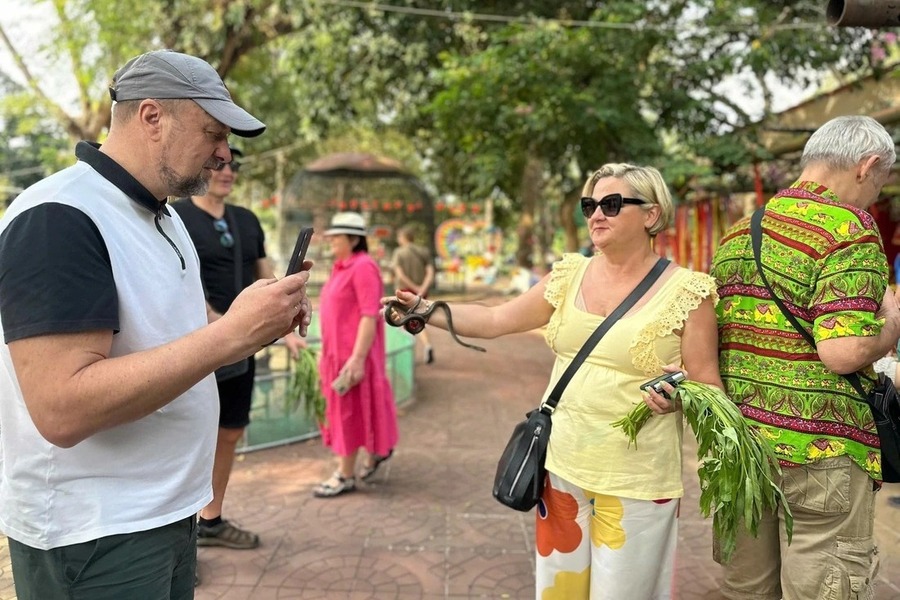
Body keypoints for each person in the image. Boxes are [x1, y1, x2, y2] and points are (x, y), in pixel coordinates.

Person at [0, 49, 311, 600]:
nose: (223, 154)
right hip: (94, 532)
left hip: (164, 511)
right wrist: (230, 334)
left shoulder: (162, 216)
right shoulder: (60, 216)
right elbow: (62, 407)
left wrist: (254, 320)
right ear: (151, 117)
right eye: (212, 132)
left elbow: (182, 334)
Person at [383, 163, 723, 599]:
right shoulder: (569, 275)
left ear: (652, 215)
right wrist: (427, 310)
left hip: (637, 480)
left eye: (612, 204)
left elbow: (708, 385)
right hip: (561, 468)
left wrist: (680, 397)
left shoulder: (688, 292)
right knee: (559, 592)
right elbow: (495, 318)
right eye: (589, 205)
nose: (596, 214)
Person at [709, 115, 900, 600]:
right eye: (881, 181)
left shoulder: (737, 233)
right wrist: (893, 321)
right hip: (823, 454)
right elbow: (843, 351)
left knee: (747, 589)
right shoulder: (849, 228)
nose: (876, 195)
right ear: (867, 165)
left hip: (743, 449)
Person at [171, 147, 305, 550]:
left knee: (229, 431)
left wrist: (289, 322)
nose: (228, 171)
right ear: (204, 165)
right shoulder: (176, 216)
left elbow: (266, 279)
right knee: (186, 437)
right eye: (221, 163)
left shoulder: (246, 221)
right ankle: (177, 541)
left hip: (242, 347)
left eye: (235, 166)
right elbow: (177, 282)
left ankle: (210, 521)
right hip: (195, 345)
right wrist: (223, 325)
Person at [313, 212, 399, 498]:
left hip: (352, 355)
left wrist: (358, 358)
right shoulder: (341, 267)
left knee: (348, 411)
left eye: (336, 237)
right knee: (344, 411)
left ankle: (344, 474)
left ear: (353, 239)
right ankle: (375, 452)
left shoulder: (363, 267)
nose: (331, 242)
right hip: (336, 354)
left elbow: (368, 314)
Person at [391, 223, 436, 364]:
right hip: (422, 292)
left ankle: (412, 352)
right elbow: (430, 272)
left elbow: (400, 274)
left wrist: (413, 287)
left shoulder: (399, 252)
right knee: (417, 319)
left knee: (406, 321)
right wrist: (422, 288)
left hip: (404, 291)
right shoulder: (423, 251)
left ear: (403, 237)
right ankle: (425, 346)